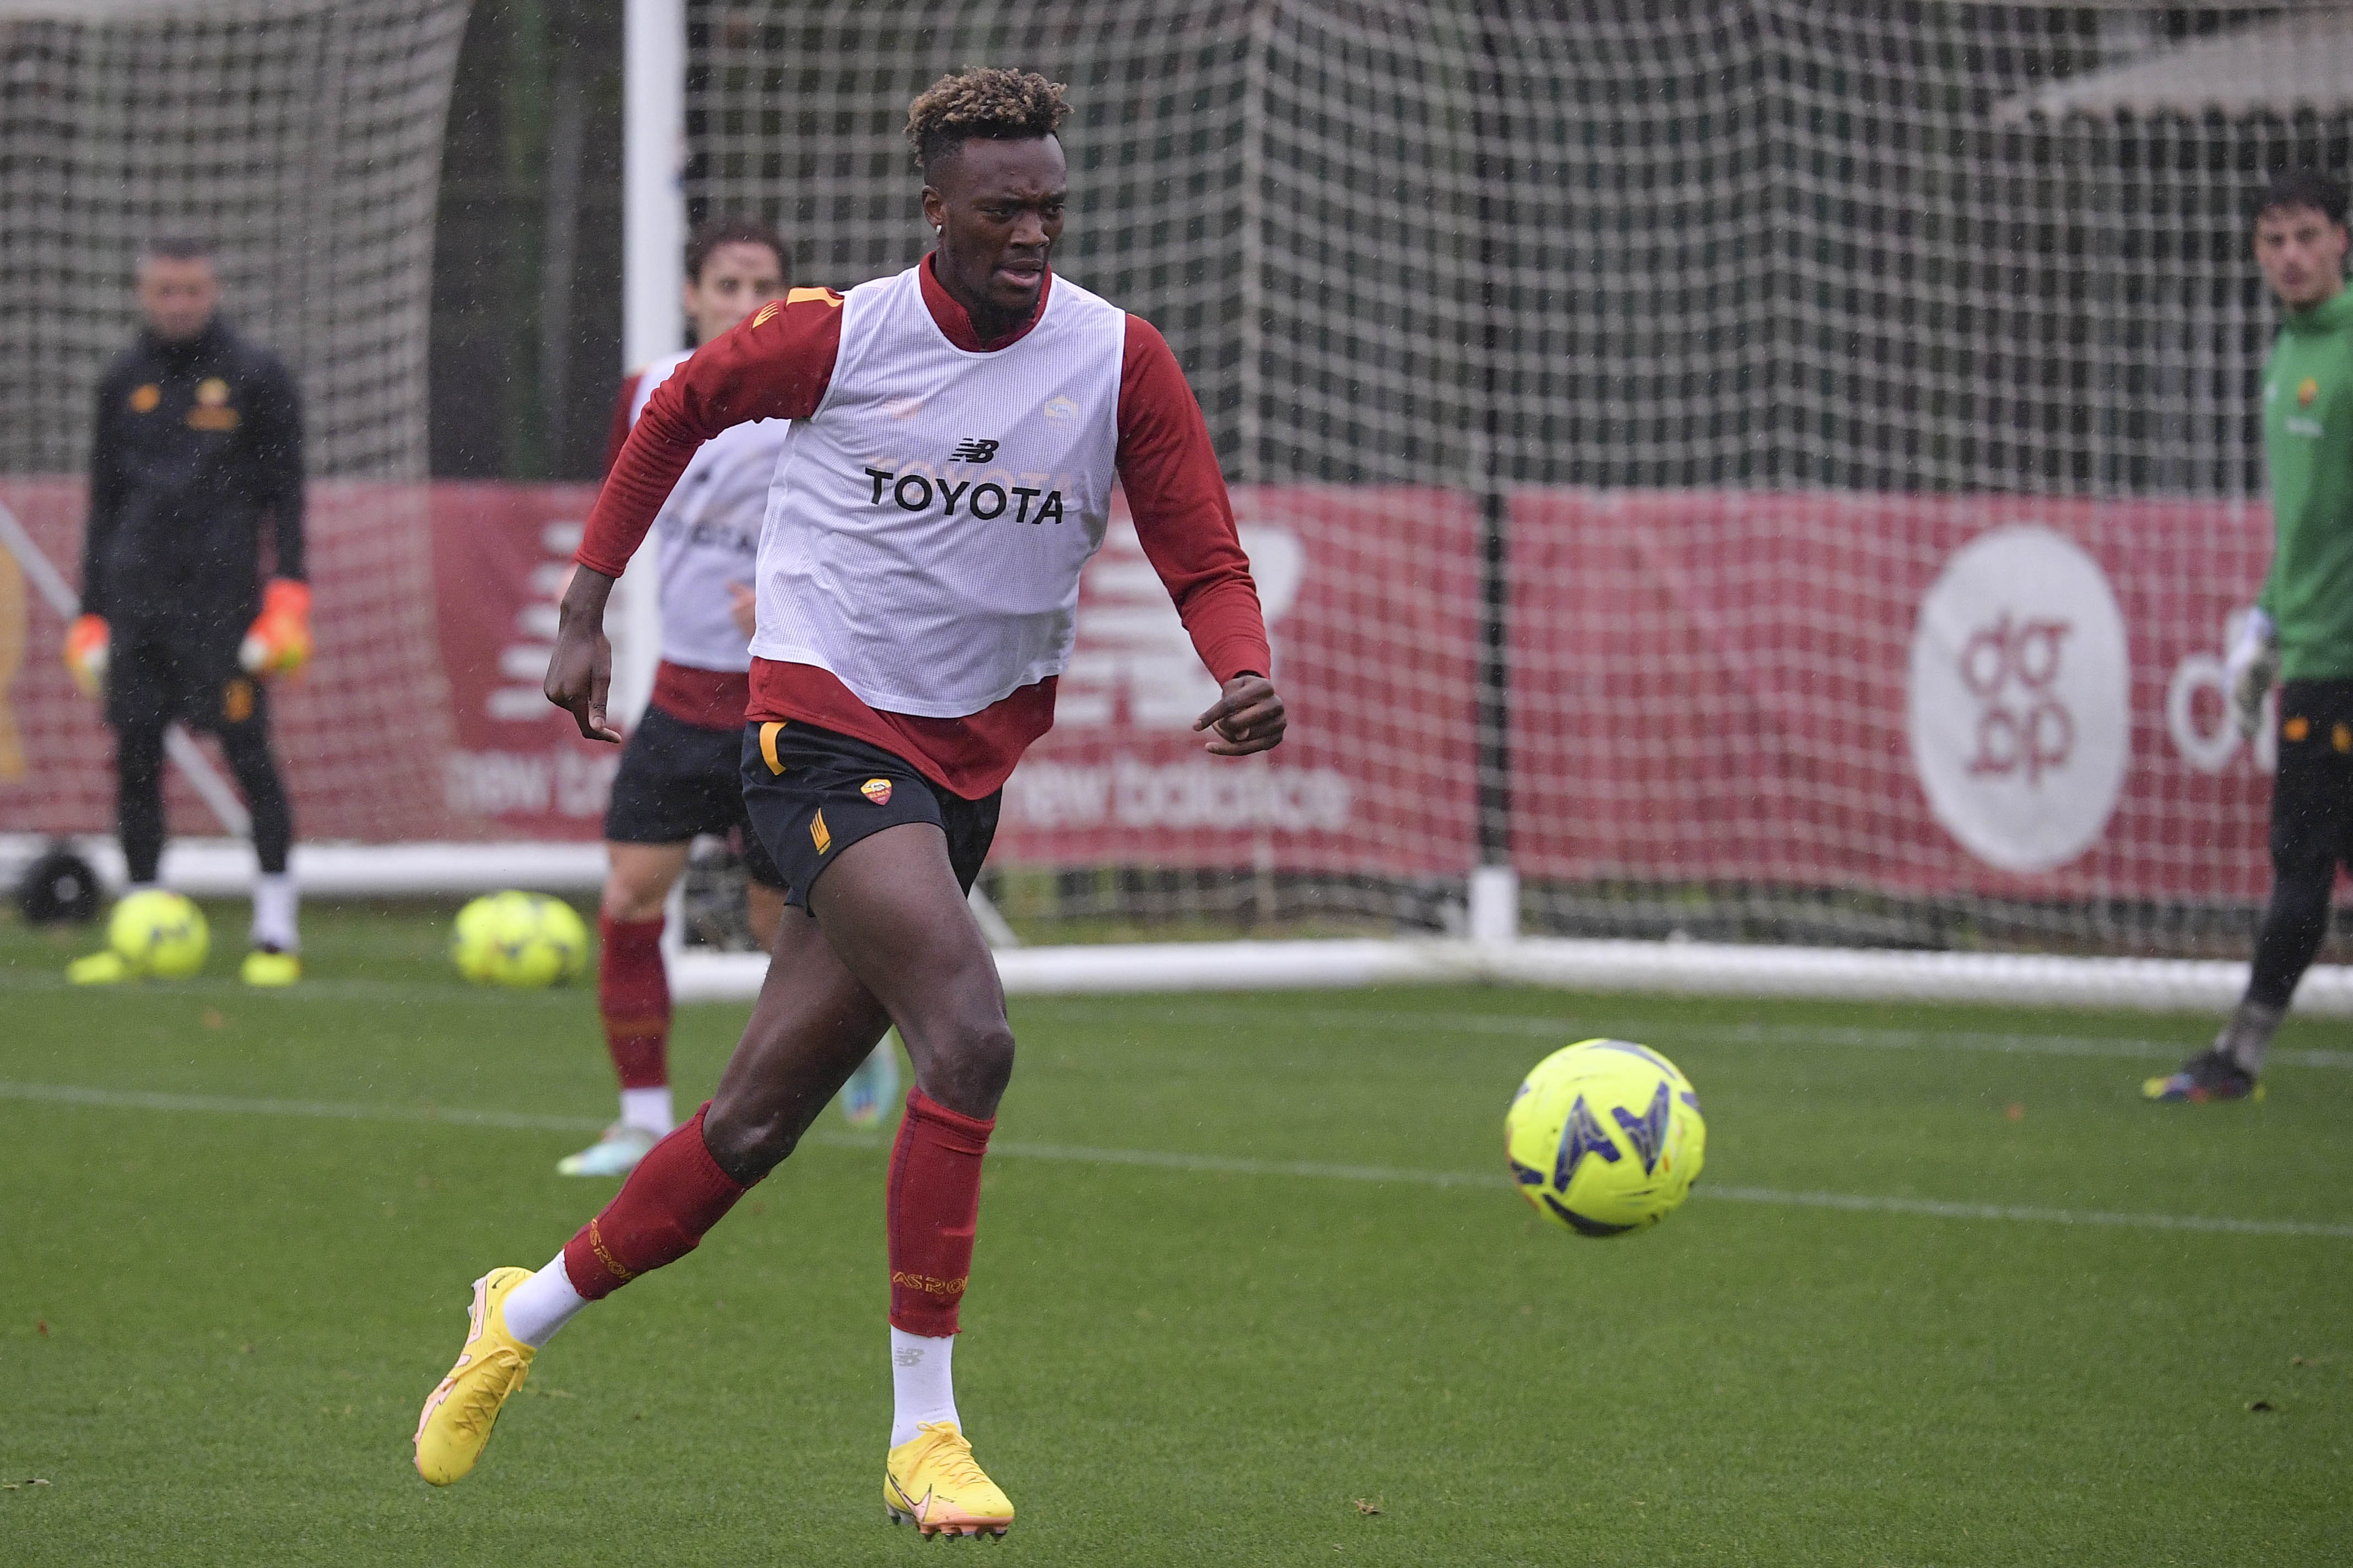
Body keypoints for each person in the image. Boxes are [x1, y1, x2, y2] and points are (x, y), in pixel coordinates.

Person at [412, 68, 1286, 1536]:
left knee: (752, 1128)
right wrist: (584, 609)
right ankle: (925, 1433)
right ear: (933, 210)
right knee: (972, 1032)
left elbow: (1200, 549)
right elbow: (678, 407)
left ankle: (522, 1310)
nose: (1034, 231)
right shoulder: (837, 337)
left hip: (962, 768)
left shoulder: (1120, 360)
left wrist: (1243, 665)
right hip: (817, 732)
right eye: (1004, 207)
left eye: (1051, 206)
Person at [559, 216, 795, 1179]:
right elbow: (625, 507)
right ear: (695, 296)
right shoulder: (650, 391)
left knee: (788, 929)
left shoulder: (818, 397)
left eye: (764, 286)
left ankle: (848, 1050)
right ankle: (641, 1117)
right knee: (627, 897)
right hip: (679, 706)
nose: (746, 305)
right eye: (728, 286)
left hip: (787, 713)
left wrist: (784, 592)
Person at [2150, 167, 2353, 1103]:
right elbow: (2307, 525)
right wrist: (2266, 624)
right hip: (2313, 659)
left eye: (2307, 235)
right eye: (2274, 241)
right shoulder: (2287, 357)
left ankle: (2238, 1060)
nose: (2291, 256)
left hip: (2344, 666)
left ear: (2342, 240)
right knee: (2304, 865)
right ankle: (2239, 1057)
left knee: (2303, 868)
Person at [63, 238, 310, 987]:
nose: (179, 304)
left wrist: (290, 595)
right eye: (166, 291)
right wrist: (90, 611)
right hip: (136, 605)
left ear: (214, 290)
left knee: (249, 758)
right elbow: (104, 503)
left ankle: (275, 931)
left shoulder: (256, 376)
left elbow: (287, 497)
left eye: (192, 291)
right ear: (146, 293)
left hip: (223, 607)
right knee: (135, 762)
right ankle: (140, 921)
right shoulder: (121, 380)